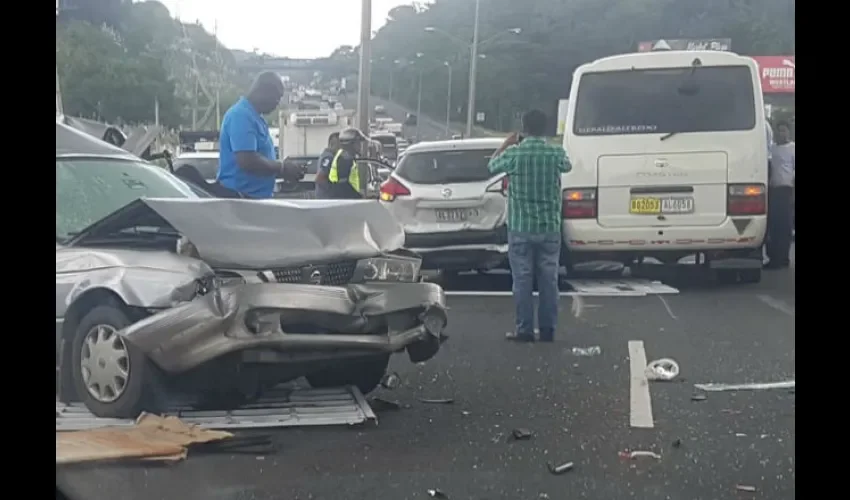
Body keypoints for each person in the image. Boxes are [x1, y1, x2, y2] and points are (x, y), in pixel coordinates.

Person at [488, 110, 571, 343]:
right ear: (544, 128)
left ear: (524, 128)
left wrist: (506, 143)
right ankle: (548, 330)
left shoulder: (515, 154)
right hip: (549, 226)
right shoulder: (555, 152)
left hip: (521, 226)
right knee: (549, 280)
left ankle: (524, 329)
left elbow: (492, 166)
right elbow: (568, 166)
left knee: (522, 281)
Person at [217, 71, 301, 199]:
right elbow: (247, 160)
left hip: (255, 199)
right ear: (263, 91)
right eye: (277, 97)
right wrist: (282, 168)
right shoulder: (241, 115)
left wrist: (286, 170)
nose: (277, 103)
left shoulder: (255, 117)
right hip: (240, 201)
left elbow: (261, 161)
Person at [765, 120, 795, 269]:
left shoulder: (792, 148)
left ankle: (783, 257)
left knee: (785, 226)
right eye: (779, 131)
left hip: (787, 190)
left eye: (784, 130)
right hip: (773, 190)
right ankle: (773, 257)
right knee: (773, 225)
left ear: (788, 132)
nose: (781, 133)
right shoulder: (772, 149)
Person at [325, 128, 367, 199]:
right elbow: (343, 185)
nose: (360, 146)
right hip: (343, 200)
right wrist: (359, 197)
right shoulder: (345, 158)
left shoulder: (345, 156)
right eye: (358, 143)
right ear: (350, 144)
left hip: (344, 199)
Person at [315, 132, 340, 199]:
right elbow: (319, 178)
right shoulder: (328, 157)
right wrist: (332, 191)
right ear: (332, 144)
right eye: (339, 145)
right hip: (326, 199)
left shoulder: (326, 156)